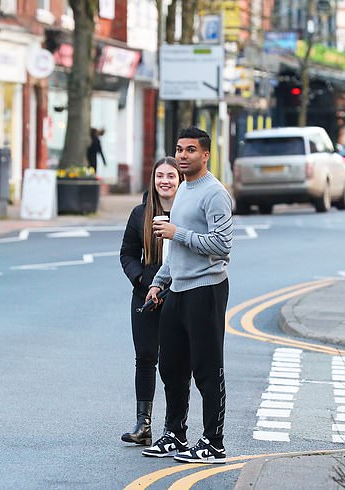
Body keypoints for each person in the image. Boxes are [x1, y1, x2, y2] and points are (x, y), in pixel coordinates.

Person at [141, 126, 233, 464]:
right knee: (171, 367)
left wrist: (177, 233)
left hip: (206, 289)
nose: (182, 155)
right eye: (179, 149)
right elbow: (173, 251)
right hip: (177, 290)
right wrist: (159, 281)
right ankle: (175, 434)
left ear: (205, 155)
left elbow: (223, 246)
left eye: (190, 150)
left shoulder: (215, 193)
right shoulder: (183, 190)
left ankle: (213, 441)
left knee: (207, 368)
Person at [119, 157, 183, 446]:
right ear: (153, 180)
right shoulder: (140, 214)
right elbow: (128, 254)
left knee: (174, 363)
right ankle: (143, 425)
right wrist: (142, 282)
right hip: (145, 295)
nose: (165, 181)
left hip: (180, 294)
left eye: (171, 175)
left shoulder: (188, 213)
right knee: (145, 358)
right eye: (160, 176)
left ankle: (173, 428)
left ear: (180, 180)